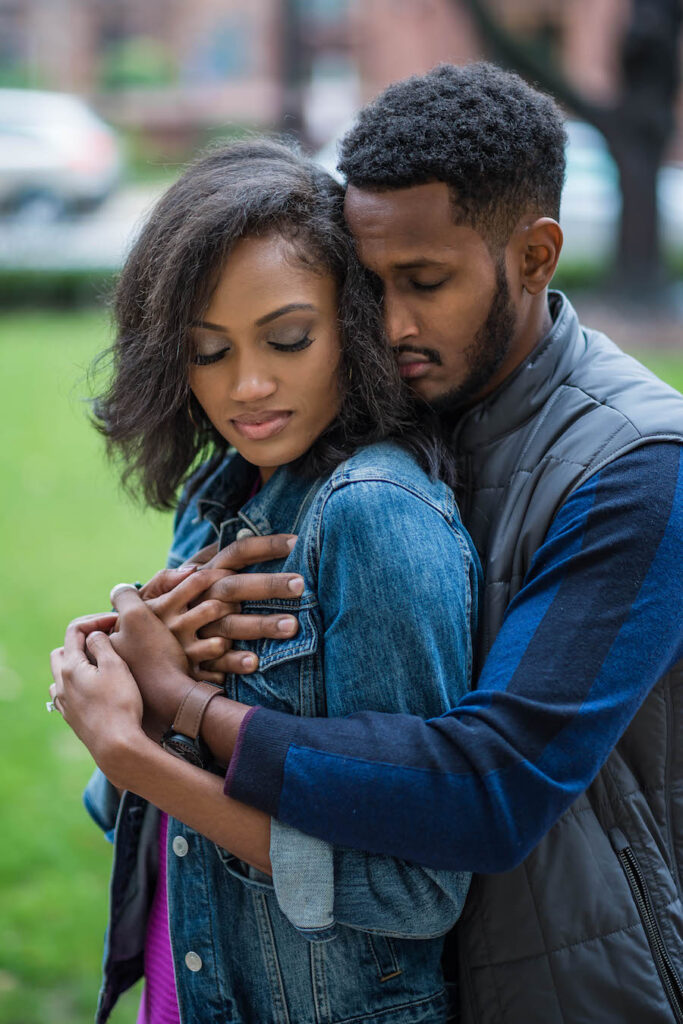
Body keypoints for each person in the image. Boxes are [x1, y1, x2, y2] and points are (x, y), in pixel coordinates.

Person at [77, 64, 683, 1023]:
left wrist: (177, 709)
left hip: (568, 983)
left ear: (534, 256)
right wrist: (135, 655)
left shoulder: (638, 466)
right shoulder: (298, 457)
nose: (389, 323)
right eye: (367, 284)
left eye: (425, 282)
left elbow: (492, 783)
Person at [49, 139, 482, 1024]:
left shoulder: (375, 519)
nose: (247, 386)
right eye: (208, 351)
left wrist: (136, 746)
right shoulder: (223, 495)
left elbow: (416, 891)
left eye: (288, 339)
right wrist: (125, 689)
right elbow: (143, 826)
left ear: (354, 325)